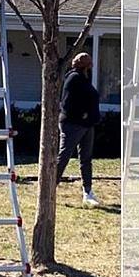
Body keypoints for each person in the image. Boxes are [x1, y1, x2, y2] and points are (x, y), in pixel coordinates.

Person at [56, 52, 101, 207]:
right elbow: (67, 104)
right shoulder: (74, 78)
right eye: (89, 65)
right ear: (85, 66)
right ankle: (50, 188)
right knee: (64, 155)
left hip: (86, 125)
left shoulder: (83, 79)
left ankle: (87, 191)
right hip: (74, 125)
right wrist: (82, 115)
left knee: (86, 159)